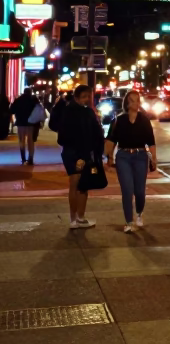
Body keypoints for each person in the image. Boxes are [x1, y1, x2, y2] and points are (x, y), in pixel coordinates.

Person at [105, 90, 157, 234]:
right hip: (123, 157)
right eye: (132, 100)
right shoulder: (119, 120)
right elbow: (111, 139)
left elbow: (151, 142)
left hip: (141, 156)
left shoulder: (144, 120)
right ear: (127, 103)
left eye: (137, 100)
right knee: (127, 190)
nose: (136, 103)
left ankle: (139, 212)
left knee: (139, 191)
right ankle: (128, 221)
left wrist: (154, 158)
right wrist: (108, 157)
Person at [57, 84, 105, 229]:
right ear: (77, 98)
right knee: (80, 184)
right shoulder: (83, 113)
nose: (87, 99)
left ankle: (76, 219)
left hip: (74, 152)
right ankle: (78, 218)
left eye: (89, 96)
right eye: (84, 97)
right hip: (78, 153)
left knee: (79, 184)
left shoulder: (75, 111)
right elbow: (95, 134)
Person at [11, 88, 41, 165]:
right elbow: (39, 110)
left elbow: (12, 110)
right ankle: (30, 158)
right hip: (31, 123)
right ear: (30, 92)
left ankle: (23, 158)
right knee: (30, 140)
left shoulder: (18, 100)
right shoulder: (33, 100)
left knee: (22, 140)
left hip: (20, 123)